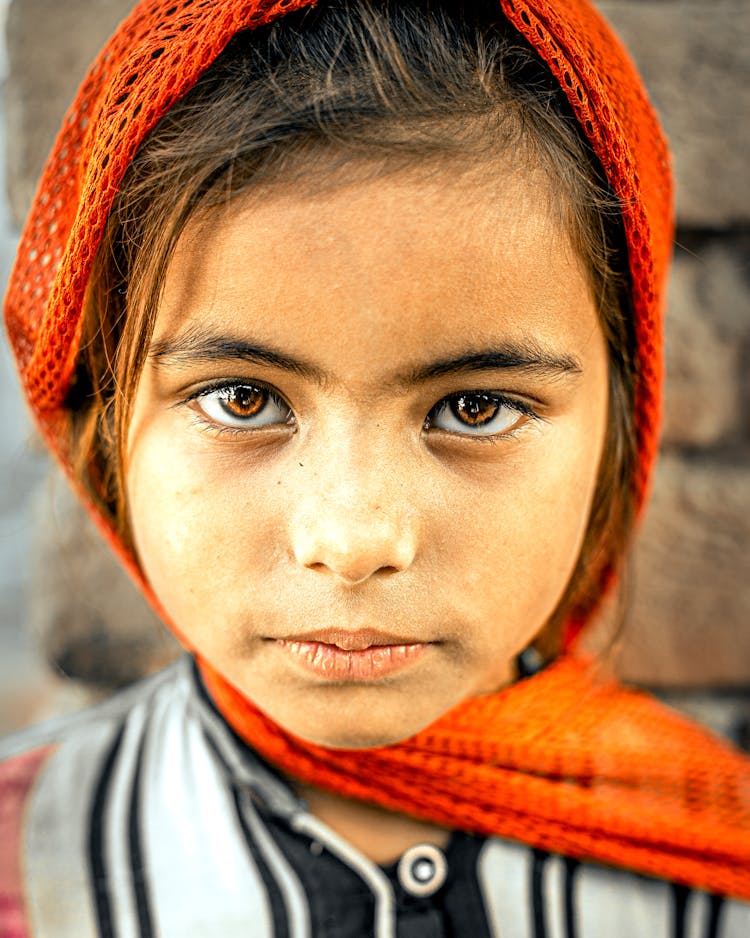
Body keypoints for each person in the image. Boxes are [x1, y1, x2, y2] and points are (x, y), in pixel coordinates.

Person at [1, 0, 748, 935]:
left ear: (620, 419)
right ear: (101, 422)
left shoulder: (716, 864)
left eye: (475, 408)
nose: (352, 540)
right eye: (242, 398)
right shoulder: (26, 865)